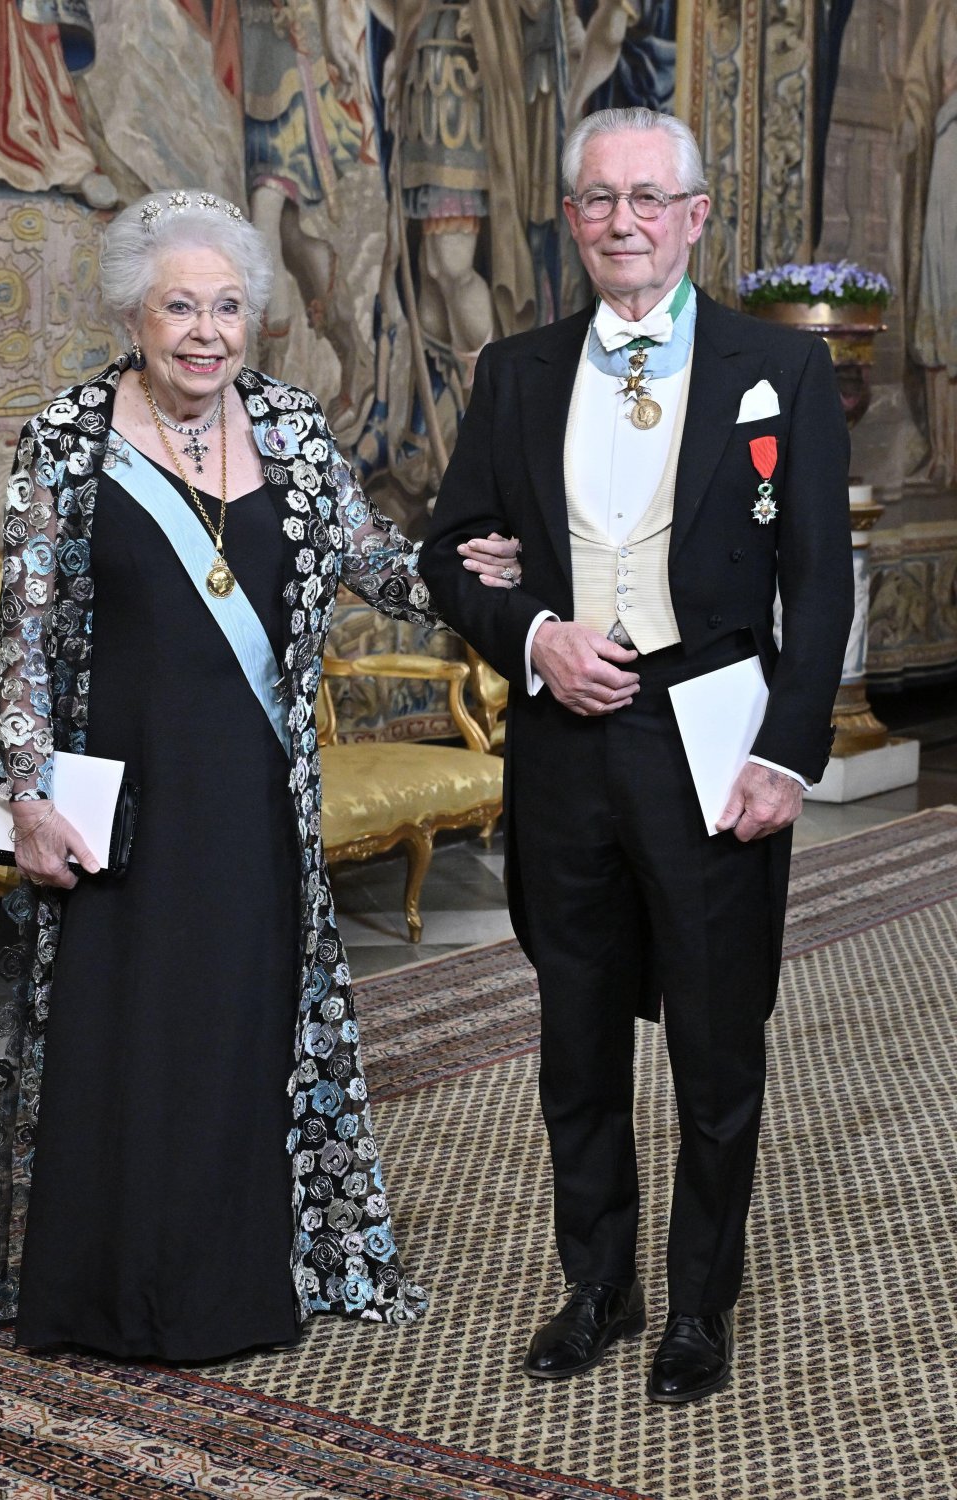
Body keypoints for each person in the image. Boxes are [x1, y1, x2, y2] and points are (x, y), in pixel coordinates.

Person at [0, 187, 519, 1362]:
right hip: (121, 792)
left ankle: (228, 1291)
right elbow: (24, 631)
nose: (206, 331)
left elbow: (370, 558)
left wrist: (472, 574)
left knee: (234, 1032)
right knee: (128, 1038)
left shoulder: (291, 425)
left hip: (254, 791)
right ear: (133, 314)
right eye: (180, 307)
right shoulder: (65, 437)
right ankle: (104, 1294)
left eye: (227, 306)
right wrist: (26, 795)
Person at [420, 107, 853, 1403]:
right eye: (600, 201)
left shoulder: (779, 370)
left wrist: (788, 752)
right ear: (574, 220)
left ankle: (696, 1310)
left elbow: (820, 587)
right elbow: (453, 555)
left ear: (696, 216)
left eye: (648, 200)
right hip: (565, 749)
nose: (624, 223)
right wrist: (534, 632)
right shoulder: (515, 373)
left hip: (713, 740)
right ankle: (597, 1287)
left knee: (718, 1046)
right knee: (576, 1036)